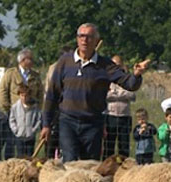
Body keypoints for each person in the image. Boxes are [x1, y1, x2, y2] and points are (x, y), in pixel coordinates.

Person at [41, 23, 150, 162]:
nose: (85, 40)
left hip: (92, 123)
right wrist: (46, 124)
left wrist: (136, 74)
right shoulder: (64, 62)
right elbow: (52, 95)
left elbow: (129, 83)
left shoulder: (105, 65)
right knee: (70, 161)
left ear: (96, 41)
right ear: (77, 39)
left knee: (90, 164)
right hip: (68, 121)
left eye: (89, 37)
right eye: (82, 36)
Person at [0, 48, 43, 159]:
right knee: (11, 141)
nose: (32, 61)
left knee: (29, 142)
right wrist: (8, 108)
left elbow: (41, 93)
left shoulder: (35, 76)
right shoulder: (11, 74)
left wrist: (39, 109)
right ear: (23, 60)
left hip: (31, 113)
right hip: (15, 112)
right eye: (30, 59)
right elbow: (2, 91)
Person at [102, 55, 136, 159]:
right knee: (109, 146)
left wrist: (115, 93)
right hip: (110, 116)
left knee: (124, 146)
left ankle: (123, 168)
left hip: (124, 116)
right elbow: (103, 95)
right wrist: (122, 93)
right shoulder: (106, 79)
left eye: (118, 65)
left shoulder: (127, 79)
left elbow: (132, 95)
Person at [44, 45, 72, 159]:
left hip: (68, 107)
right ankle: (49, 159)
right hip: (55, 106)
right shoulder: (53, 68)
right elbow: (49, 89)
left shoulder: (74, 66)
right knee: (52, 137)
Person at [9, 84, 42, 157]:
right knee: (20, 157)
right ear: (19, 95)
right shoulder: (15, 107)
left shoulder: (35, 107)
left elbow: (38, 120)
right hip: (19, 136)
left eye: (26, 96)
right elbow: (12, 119)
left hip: (30, 137)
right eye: (22, 95)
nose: (24, 98)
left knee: (30, 157)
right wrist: (16, 130)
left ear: (29, 95)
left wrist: (33, 130)